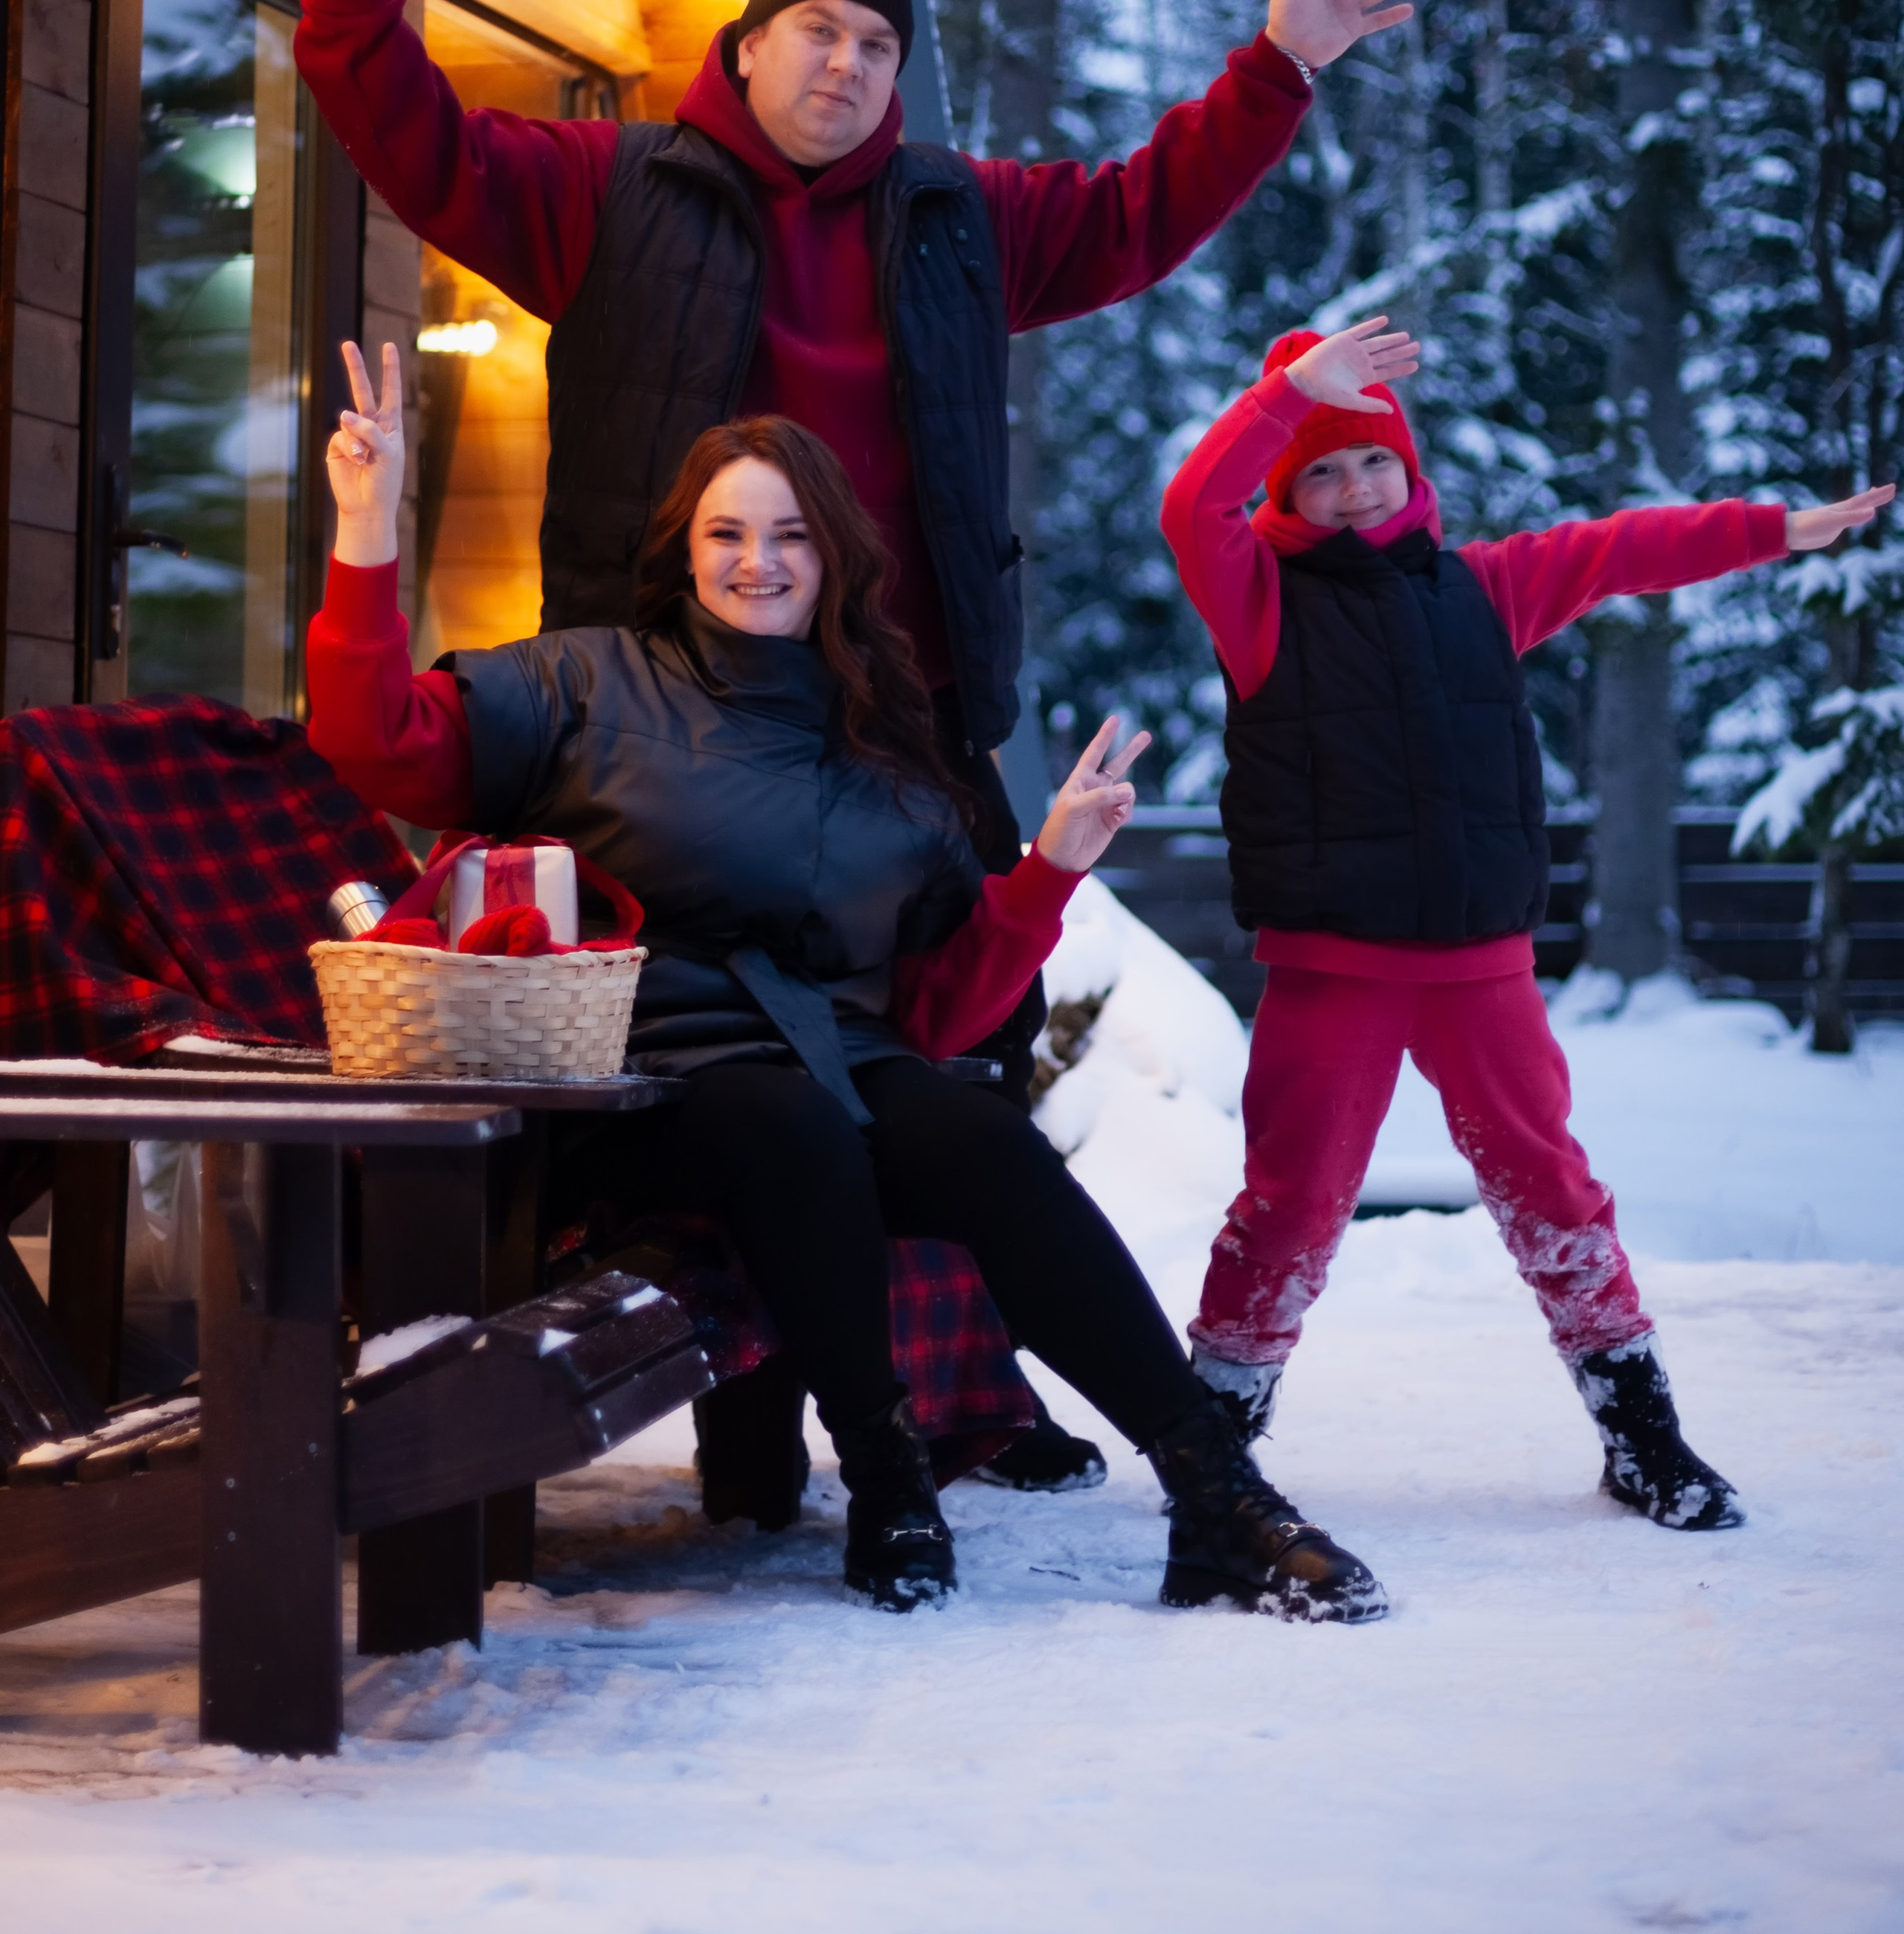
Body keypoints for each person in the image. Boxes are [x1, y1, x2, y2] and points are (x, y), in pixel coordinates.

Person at [308, 339, 1389, 1622]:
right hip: (643, 1091)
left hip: (838, 1061)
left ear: (834, 556)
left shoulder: (887, 734)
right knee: (791, 1126)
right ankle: (886, 1476)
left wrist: (1046, 872)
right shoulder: (581, 682)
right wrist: (367, 530)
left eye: (789, 536)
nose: (757, 561)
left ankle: (1216, 1494)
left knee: (980, 1137)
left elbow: (937, 1012)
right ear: (685, 548)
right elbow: (373, 741)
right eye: (726, 533)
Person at [1161, 313, 1894, 1532]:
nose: (1351, 489)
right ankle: (1216, 1437)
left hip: (1479, 968)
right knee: (1289, 1207)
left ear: (1413, 467)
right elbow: (1195, 508)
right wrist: (1291, 395)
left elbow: (1617, 550)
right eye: (1322, 471)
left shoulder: (1483, 587)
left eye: (1372, 460)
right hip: (1333, 968)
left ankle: (1642, 1434)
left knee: (1551, 1190)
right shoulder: (1258, 600)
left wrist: (1772, 530)